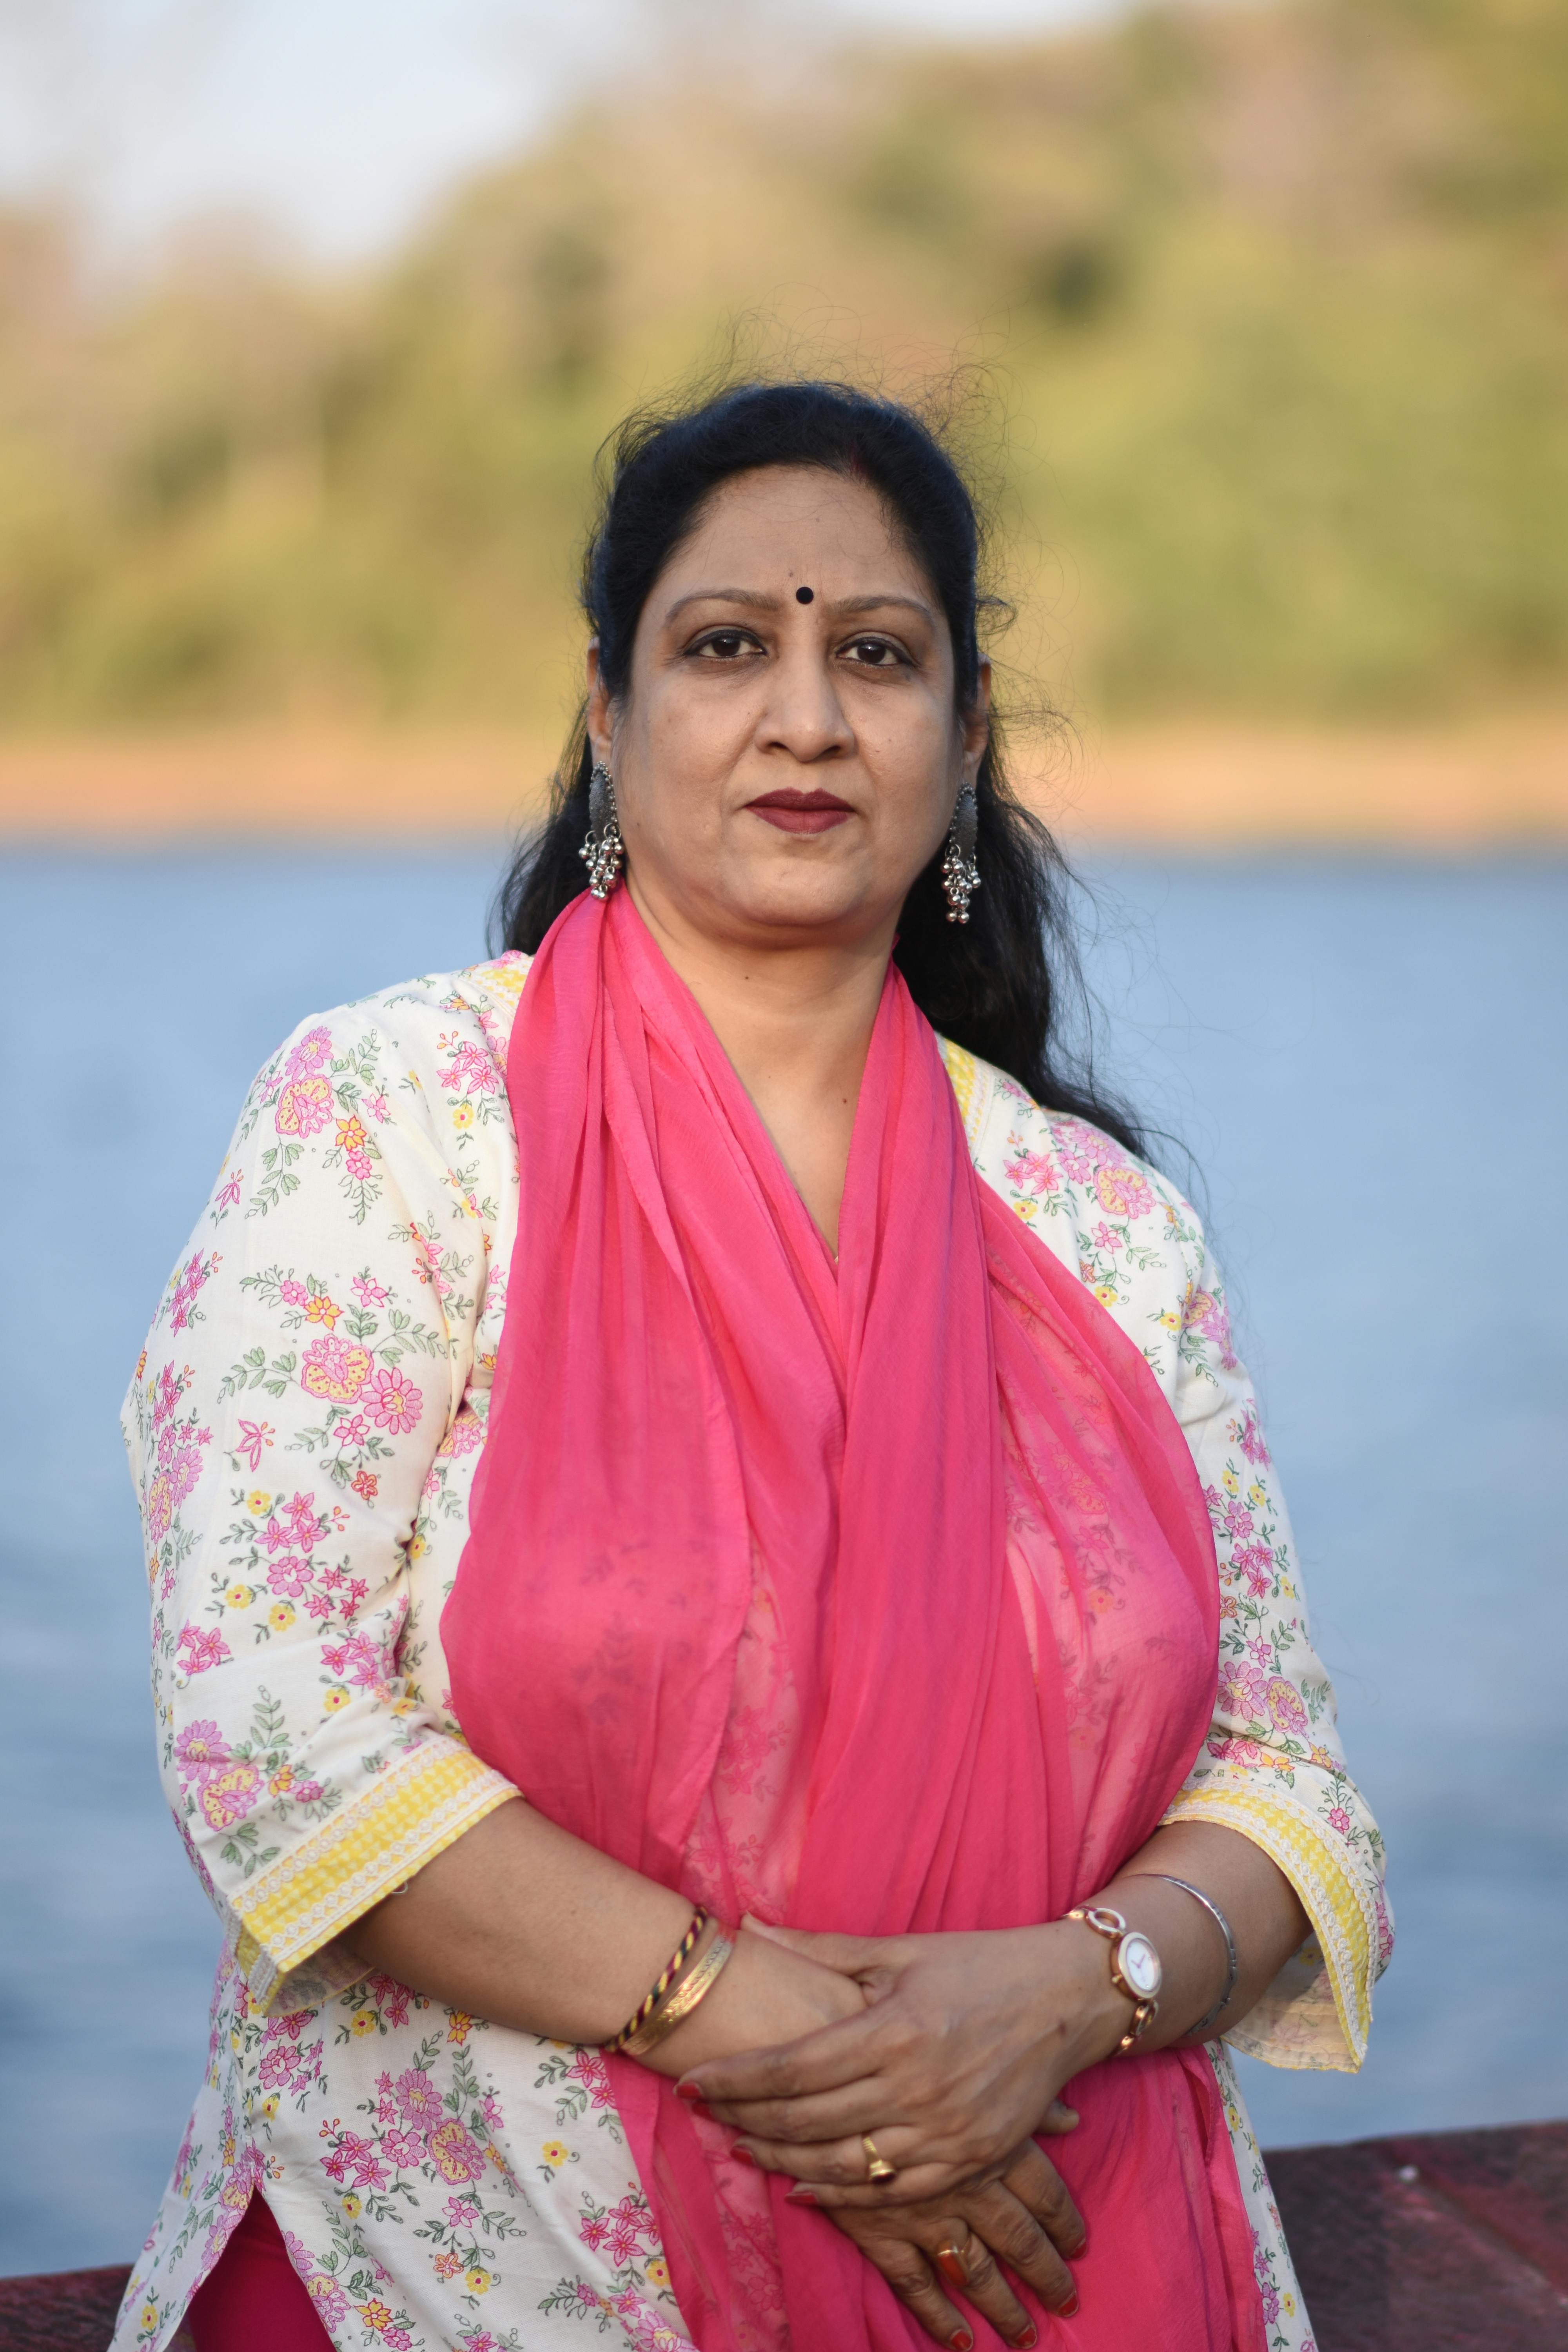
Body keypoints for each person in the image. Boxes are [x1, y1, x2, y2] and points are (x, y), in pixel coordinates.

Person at [112, 380, 1389, 2352]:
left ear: (960, 742)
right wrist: (814, 2050)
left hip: (1072, 2244)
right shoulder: (402, 1118)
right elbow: (272, 1729)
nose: (805, 714)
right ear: (611, 722)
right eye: (728, 647)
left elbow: (1288, 1785)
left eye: (873, 655)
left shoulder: (1094, 1226)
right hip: (501, 2269)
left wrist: (1060, 1997)